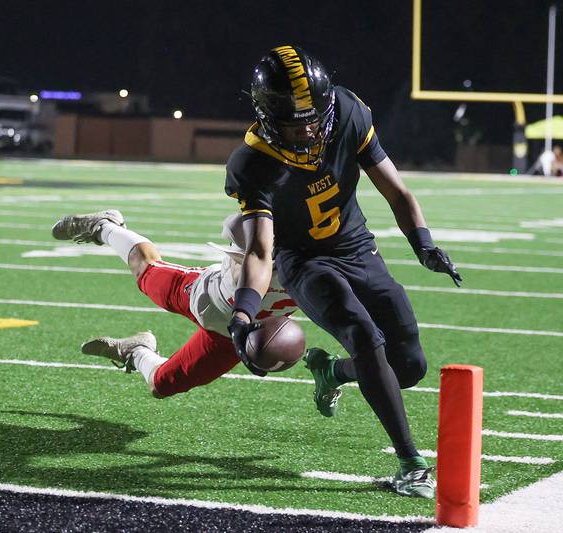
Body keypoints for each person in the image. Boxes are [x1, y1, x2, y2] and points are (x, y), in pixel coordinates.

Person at [224, 45, 462, 498]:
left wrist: (423, 243)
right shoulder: (253, 161)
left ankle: (334, 372)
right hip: (303, 259)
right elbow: (259, 250)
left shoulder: (349, 113)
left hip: (356, 246)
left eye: (315, 114)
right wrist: (243, 313)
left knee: (409, 365)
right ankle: (411, 464)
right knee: (363, 332)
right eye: (298, 122)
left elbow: (396, 190)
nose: (311, 127)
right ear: (271, 117)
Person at [51, 209, 297, 398]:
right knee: (145, 270)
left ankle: (136, 350)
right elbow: (238, 225)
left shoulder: (326, 270)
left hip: (235, 338)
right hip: (204, 295)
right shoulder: (280, 231)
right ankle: (104, 226)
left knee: (162, 385)